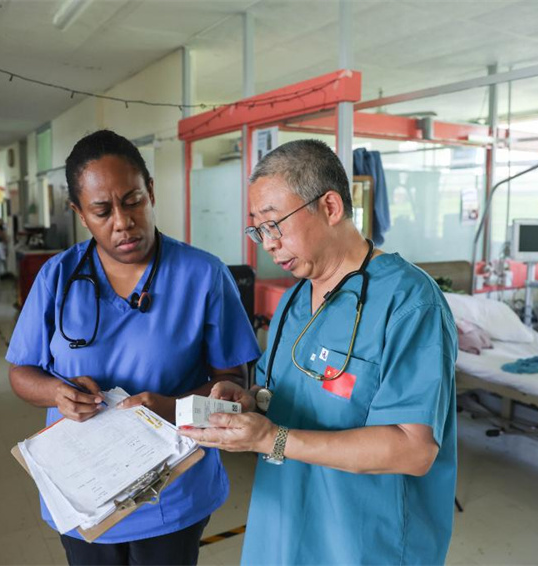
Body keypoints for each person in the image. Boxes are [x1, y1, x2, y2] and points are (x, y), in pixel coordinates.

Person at [181, 140, 458, 565]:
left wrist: (273, 439)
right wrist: (248, 404)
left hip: (363, 542)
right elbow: (287, 399)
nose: (267, 245)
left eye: (275, 225)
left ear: (329, 207)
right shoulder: (295, 302)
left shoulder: (409, 302)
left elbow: (413, 449)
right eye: (258, 230)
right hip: (284, 528)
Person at [6, 130, 260, 566]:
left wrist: (172, 406)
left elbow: (233, 383)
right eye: (102, 211)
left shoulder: (203, 275)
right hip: (84, 490)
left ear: (151, 193)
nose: (122, 221)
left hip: (172, 490)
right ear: (80, 214)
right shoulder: (57, 277)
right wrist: (56, 393)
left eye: (133, 201)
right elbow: (21, 373)